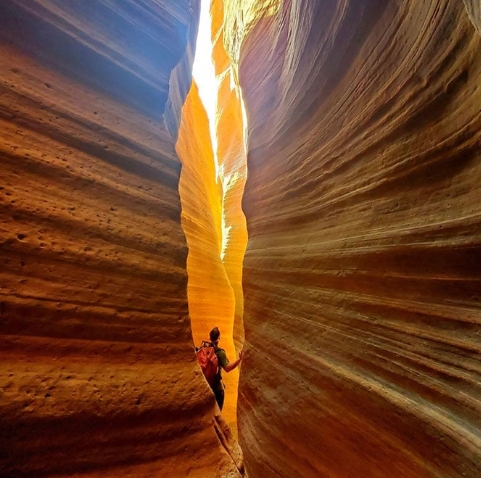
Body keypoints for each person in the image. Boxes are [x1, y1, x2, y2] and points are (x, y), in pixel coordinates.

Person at [209, 326, 243, 410]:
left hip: (207, 384)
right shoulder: (220, 352)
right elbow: (227, 368)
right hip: (217, 387)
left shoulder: (204, 348)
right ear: (219, 338)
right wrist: (239, 359)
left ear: (210, 338)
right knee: (217, 411)